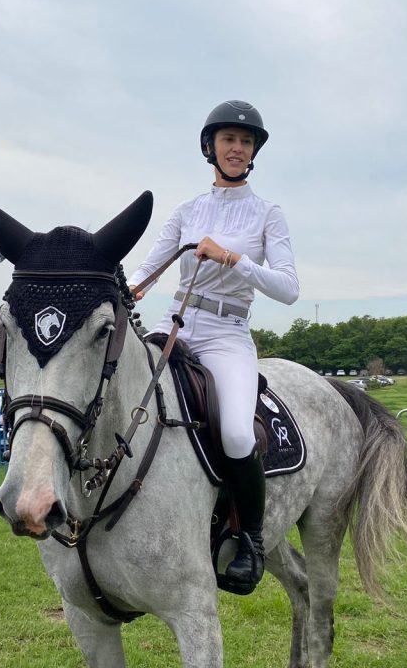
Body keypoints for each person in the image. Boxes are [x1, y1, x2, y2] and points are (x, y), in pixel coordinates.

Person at [128, 100, 299, 593]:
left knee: (238, 438)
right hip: (176, 320)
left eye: (246, 142)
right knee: (126, 390)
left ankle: (249, 540)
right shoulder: (186, 211)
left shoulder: (268, 214)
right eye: (229, 140)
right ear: (211, 146)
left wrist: (233, 259)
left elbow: (288, 289)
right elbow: (150, 265)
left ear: (253, 153)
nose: (237, 148)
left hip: (228, 335)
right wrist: (128, 288)